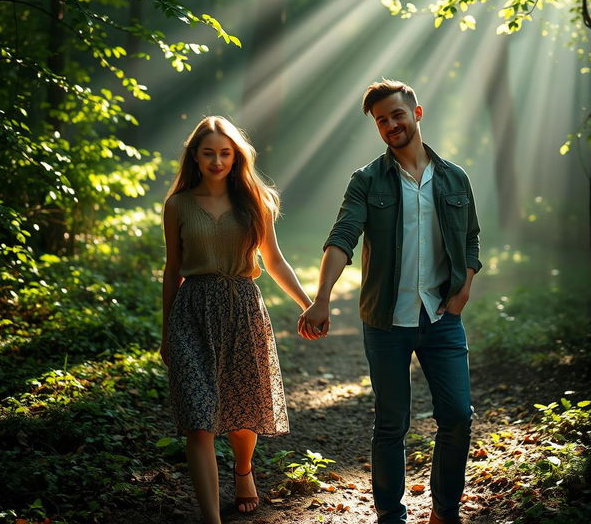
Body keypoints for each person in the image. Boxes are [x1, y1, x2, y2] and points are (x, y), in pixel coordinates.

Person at [298, 80, 482, 524]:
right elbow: (342, 237)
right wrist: (321, 298)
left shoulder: (455, 177)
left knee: (457, 416)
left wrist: (466, 284)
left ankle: (445, 510)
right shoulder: (366, 181)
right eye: (381, 120)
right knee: (391, 423)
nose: (390, 125)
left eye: (396, 115)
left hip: (441, 317)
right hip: (385, 321)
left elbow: (471, 237)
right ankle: (389, 515)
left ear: (416, 114)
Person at [161, 116, 311, 524]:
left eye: (225, 153)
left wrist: (307, 303)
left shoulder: (253, 202)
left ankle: (243, 470)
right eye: (208, 153)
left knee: (244, 409)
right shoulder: (178, 205)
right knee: (198, 418)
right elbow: (172, 269)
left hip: (243, 306)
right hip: (191, 311)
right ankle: (211, 518)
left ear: (236, 156)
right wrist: (165, 334)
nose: (217, 161)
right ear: (195, 155)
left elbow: (274, 261)